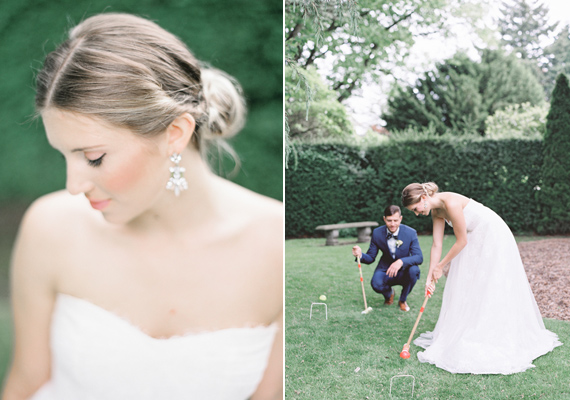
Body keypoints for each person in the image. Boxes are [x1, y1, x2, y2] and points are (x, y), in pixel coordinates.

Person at [2, 13, 282, 400]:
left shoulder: (275, 247)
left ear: (175, 133)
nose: (72, 185)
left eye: (95, 157)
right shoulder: (51, 227)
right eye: (64, 155)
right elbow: (26, 381)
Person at [401, 182, 561, 374]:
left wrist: (442, 266)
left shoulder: (450, 203)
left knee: (490, 284)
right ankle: (471, 326)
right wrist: (430, 276)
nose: (417, 213)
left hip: (493, 235)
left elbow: (462, 241)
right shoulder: (437, 212)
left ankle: (492, 331)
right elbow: (436, 245)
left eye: (415, 209)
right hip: (475, 237)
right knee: (470, 284)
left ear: (424, 198)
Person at [352, 205, 423, 312]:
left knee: (414, 270)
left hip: (405, 270)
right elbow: (371, 257)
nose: (393, 224)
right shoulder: (377, 233)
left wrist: (401, 262)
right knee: (376, 284)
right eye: (389, 220)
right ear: (384, 219)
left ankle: (402, 300)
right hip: (385, 268)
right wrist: (360, 254)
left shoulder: (410, 233)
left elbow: (419, 257)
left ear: (401, 219)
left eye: (395, 220)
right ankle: (389, 294)